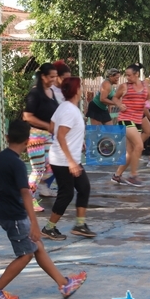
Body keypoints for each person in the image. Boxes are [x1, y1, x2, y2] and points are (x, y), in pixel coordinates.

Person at [0, 119, 87, 299]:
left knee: (37, 246)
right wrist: (35, 224)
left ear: (7, 137)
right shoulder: (17, 164)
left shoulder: (0, 157)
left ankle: (63, 284)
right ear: (28, 141)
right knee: (26, 255)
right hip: (14, 216)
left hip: (3, 212)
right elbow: (26, 194)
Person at [42, 76, 97, 240]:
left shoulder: (64, 107)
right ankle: (48, 228)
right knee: (66, 194)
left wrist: (78, 140)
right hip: (64, 161)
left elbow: (52, 127)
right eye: (80, 87)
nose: (82, 89)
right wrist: (71, 161)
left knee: (84, 188)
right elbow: (60, 134)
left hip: (68, 158)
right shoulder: (69, 110)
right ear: (76, 90)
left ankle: (80, 225)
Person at [23, 63, 60, 211]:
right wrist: (47, 125)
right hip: (36, 137)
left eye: (55, 76)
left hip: (49, 136)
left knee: (52, 167)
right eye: (51, 77)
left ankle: (36, 187)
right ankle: (28, 199)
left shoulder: (51, 92)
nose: (53, 79)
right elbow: (27, 116)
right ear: (43, 76)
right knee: (38, 169)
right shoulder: (35, 93)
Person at [110, 63, 149, 187]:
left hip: (137, 120)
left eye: (129, 75)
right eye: (126, 75)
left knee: (131, 151)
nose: (127, 78)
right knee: (139, 145)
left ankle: (117, 175)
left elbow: (146, 100)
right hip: (126, 119)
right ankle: (133, 175)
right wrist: (119, 105)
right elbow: (115, 98)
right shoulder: (124, 86)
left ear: (136, 74)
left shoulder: (145, 85)